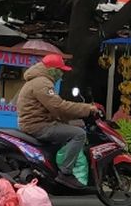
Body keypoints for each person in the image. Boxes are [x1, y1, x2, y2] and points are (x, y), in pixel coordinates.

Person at [16, 53, 98, 190]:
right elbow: (58, 107)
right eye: (60, 71)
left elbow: (54, 109)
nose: (61, 75)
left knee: (70, 128)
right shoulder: (42, 83)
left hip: (37, 123)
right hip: (39, 126)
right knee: (79, 134)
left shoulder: (38, 81)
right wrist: (87, 109)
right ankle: (65, 172)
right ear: (53, 70)